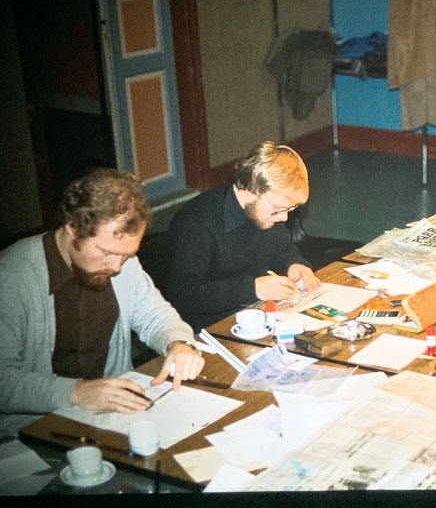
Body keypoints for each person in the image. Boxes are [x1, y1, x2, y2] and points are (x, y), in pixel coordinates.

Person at [0, 168, 205, 439]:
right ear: (72, 228)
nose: (117, 267)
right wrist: (75, 392)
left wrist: (177, 343)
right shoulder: (13, 275)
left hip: (110, 419)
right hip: (30, 431)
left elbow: (156, 315)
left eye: (127, 255)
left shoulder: (122, 262)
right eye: (106, 252)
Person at [166, 142, 321, 332]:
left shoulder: (264, 211)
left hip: (255, 312)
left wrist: (293, 264)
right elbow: (185, 294)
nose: (284, 217)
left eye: (290, 209)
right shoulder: (196, 223)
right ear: (250, 189)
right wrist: (252, 289)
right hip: (209, 328)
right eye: (278, 209)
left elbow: (280, 248)